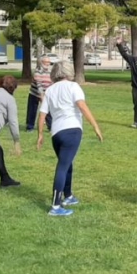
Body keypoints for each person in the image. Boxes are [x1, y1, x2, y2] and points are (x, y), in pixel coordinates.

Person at [36, 61, 103, 216]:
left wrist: (40, 134)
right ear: (69, 72)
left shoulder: (50, 90)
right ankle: (55, 206)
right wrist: (95, 126)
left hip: (56, 133)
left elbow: (42, 114)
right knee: (63, 166)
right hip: (72, 130)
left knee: (67, 163)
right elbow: (82, 106)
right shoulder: (74, 87)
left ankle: (68, 195)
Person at [25, 55, 53, 132]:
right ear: (41, 62)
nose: (48, 63)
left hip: (46, 94)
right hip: (35, 93)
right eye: (46, 62)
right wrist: (42, 96)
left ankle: (51, 127)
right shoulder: (37, 71)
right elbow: (39, 85)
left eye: (49, 62)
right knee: (32, 111)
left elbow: (52, 83)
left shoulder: (50, 72)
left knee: (48, 111)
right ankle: (30, 127)